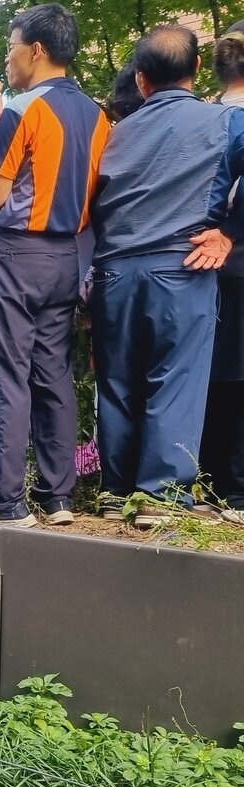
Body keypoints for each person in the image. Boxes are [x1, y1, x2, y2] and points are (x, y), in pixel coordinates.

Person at [89, 25, 244, 526]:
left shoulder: (111, 132)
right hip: (181, 269)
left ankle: (116, 492)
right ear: (197, 70)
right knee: (174, 381)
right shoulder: (224, 121)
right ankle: (159, 497)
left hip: (113, 273)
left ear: (140, 79)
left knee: (116, 382)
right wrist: (230, 234)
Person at [0, 3, 109, 527]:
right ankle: (58, 498)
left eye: (11, 47)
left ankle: (5, 501)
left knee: (7, 374)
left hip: (16, 254)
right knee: (52, 374)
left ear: (37, 50)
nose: (7, 59)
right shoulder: (99, 116)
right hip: (67, 259)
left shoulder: (21, 108)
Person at [201, 23, 244, 524]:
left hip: (192, 265)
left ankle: (208, 479)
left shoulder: (204, 118)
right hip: (233, 257)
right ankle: (235, 489)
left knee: (211, 375)